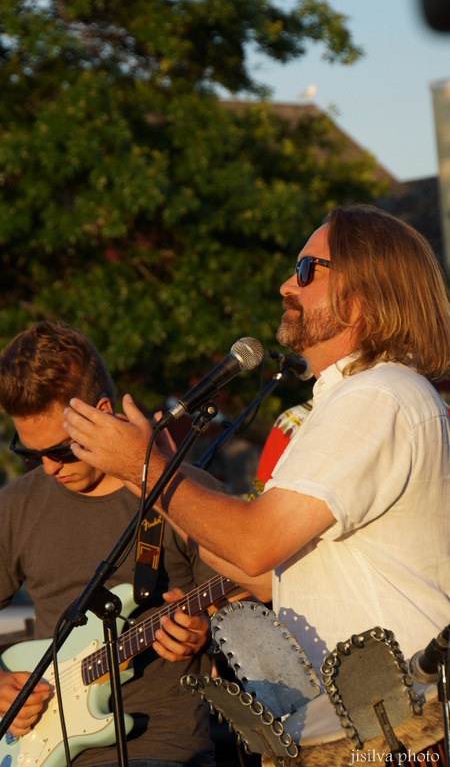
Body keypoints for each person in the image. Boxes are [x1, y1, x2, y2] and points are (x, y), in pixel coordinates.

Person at [62, 205, 450, 753]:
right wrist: (149, 476)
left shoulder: (377, 395)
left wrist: (144, 469)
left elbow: (254, 542)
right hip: (366, 728)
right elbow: (266, 574)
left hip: (399, 730)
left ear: (363, 294)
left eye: (307, 269)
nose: (286, 284)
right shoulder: (357, 399)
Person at [0, 321, 234, 767]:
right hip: (41, 750)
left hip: (163, 747)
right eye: (30, 453)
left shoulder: (187, 496)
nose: (48, 468)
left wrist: (206, 636)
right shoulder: (15, 507)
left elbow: (246, 609)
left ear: (102, 411)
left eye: (61, 450)